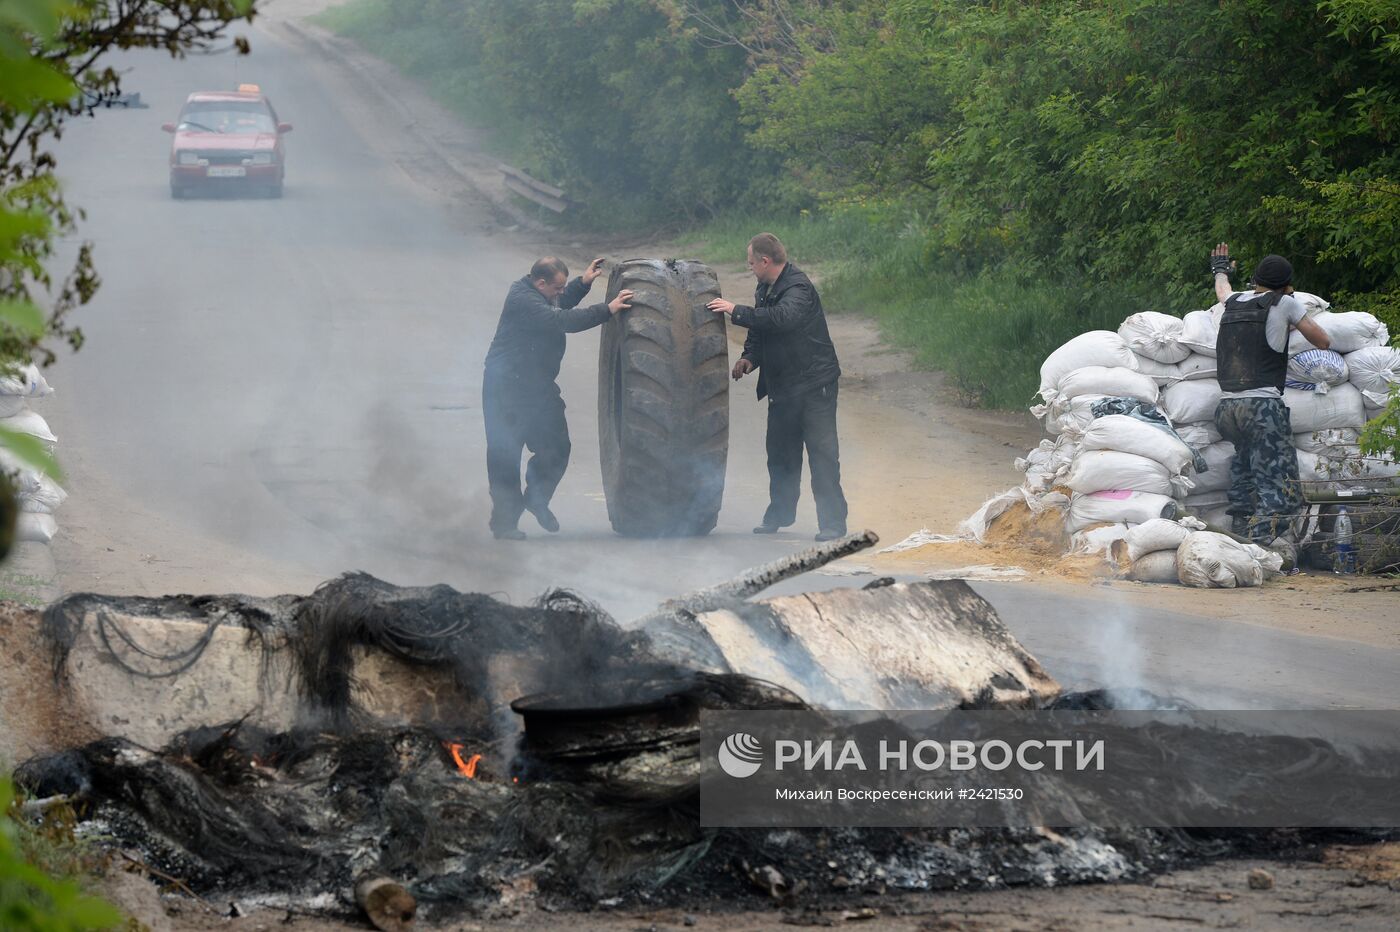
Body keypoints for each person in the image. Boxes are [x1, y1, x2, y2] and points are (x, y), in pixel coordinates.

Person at [708, 233, 849, 541]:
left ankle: (833, 524)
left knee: (822, 454)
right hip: (784, 386)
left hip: (815, 385)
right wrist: (748, 358)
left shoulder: (798, 286)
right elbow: (762, 330)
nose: (749, 269)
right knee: (780, 454)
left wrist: (735, 310)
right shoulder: (765, 287)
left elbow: (783, 319)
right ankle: (780, 515)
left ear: (765, 261)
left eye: (750, 263)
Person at [483, 256, 633, 540]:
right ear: (541, 283)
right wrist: (607, 310)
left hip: (538, 386)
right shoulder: (522, 300)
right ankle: (504, 524)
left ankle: (536, 499)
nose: (561, 293)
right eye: (559, 287)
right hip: (505, 389)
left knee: (557, 448)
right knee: (505, 456)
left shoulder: (540, 294)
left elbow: (558, 303)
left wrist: (583, 283)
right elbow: (561, 319)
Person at [1209, 243, 1330, 548]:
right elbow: (1323, 341)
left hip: (1227, 409)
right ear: (1287, 285)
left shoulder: (1233, 301)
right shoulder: (1285, 303)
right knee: (1280, 489)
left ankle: (1236, 537)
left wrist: (1220, 268)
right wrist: (1290, 311)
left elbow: (1222, 288)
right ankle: (1257, 550)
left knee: (1246, 471)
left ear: (1255, 279)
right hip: (1262, 406)